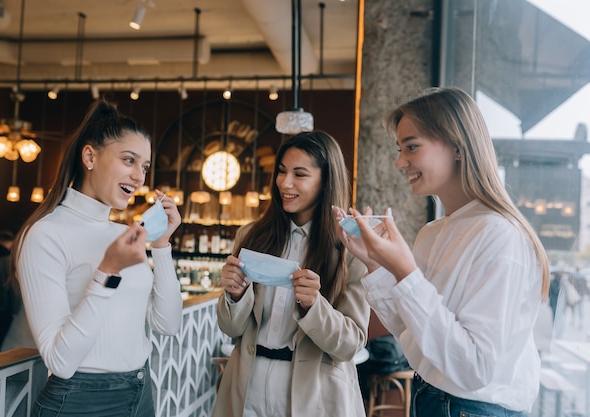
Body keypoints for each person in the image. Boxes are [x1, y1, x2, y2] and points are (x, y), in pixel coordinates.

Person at [333, 87, 550, 416]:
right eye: (400, 149)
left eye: (412, 147)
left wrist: (406, 272)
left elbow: (474, 369)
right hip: (429, 395)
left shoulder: (501, 236)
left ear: (457, 145)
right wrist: (373, 262)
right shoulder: (432, 233)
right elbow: (411, 332)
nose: (400, 162)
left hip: (474, 408)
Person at [10, 99, 183, 416]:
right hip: (80, 401)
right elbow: (60, 361)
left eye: (144, 166)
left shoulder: (122, 234)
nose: (138, 176)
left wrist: (162, 245)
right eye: (129, 160)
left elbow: (168, 324)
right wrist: (108, 271)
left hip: (141, 392)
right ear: (89, 156)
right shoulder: (44, 235)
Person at [213, 131, 370, 417]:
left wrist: (314, 305)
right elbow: (230, 328)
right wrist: (235, 296)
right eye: (282, 171)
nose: (285, 183)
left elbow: (350, 345)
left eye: (300, 174)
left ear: (325, 182)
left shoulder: (349, 248)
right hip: (247, 389)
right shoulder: (251, 237)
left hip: (315, 398)